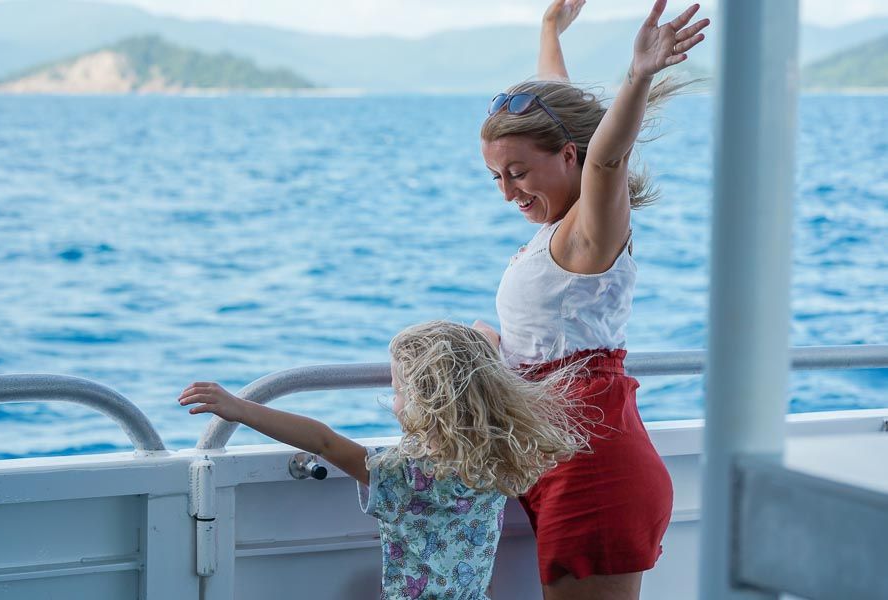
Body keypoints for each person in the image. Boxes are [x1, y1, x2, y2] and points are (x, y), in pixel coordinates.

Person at [473, 1, 710, 598]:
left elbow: (606, 155)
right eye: (497, 177)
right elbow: (564, 116)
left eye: (518, 173)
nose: (508, 193)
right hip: (553, 456)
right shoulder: (559, 230)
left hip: (593, 470)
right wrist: (550, 29)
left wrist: (640, 74)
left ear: (568, 157)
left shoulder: (590, 236)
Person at [179, 320, 590, 600]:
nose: (393, 400)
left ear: (425, 402)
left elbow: (323, 440)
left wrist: (240, 407)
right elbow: (482, 350)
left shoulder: (403, 474)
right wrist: (480, 339)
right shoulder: (494, 457)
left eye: (397, 390)